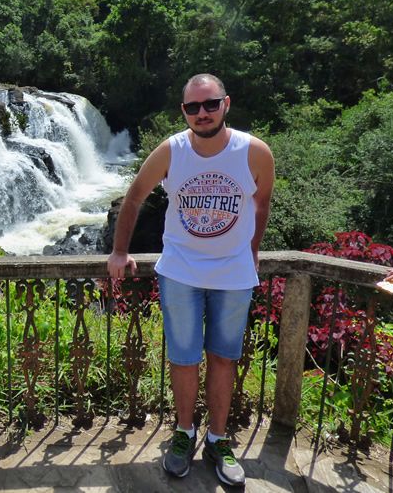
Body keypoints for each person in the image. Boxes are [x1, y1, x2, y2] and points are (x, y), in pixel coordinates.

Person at [107, 73, 275, 487]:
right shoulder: (171, 151)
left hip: (233, 276)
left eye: (210, 104)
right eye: (192, 107)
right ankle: (184, 433)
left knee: (223, 357)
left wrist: (250, 253)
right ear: (183, 111)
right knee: (183, 358)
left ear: (226, 104)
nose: (202, 113)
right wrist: (119, 251)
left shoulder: (254, 152)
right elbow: (133, 197)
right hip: (180, 273)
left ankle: (218, 439)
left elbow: (261, 203)